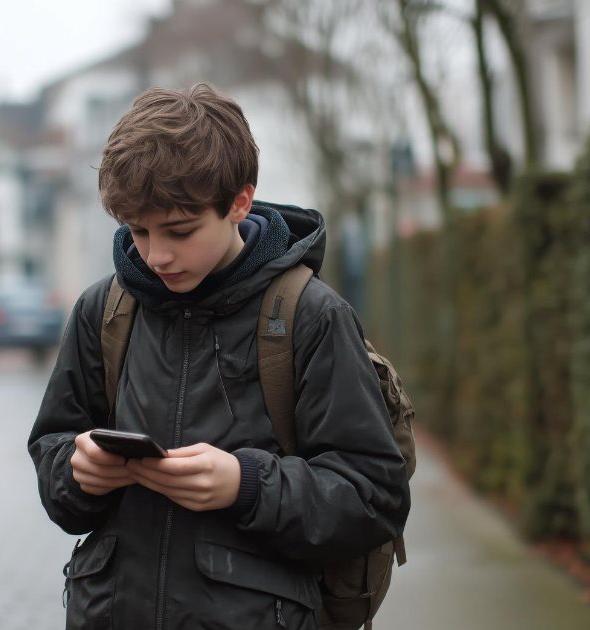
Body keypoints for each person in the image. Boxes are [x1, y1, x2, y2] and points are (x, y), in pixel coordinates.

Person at [28, 83, 411, 630]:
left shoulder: (310, 315)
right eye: (137, 230)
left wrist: (244, 485)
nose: (156, 254)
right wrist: (76, 469)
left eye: (180, 231)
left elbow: (374, 496)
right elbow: (53, 458)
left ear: (240, 203)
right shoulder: (103, 310)